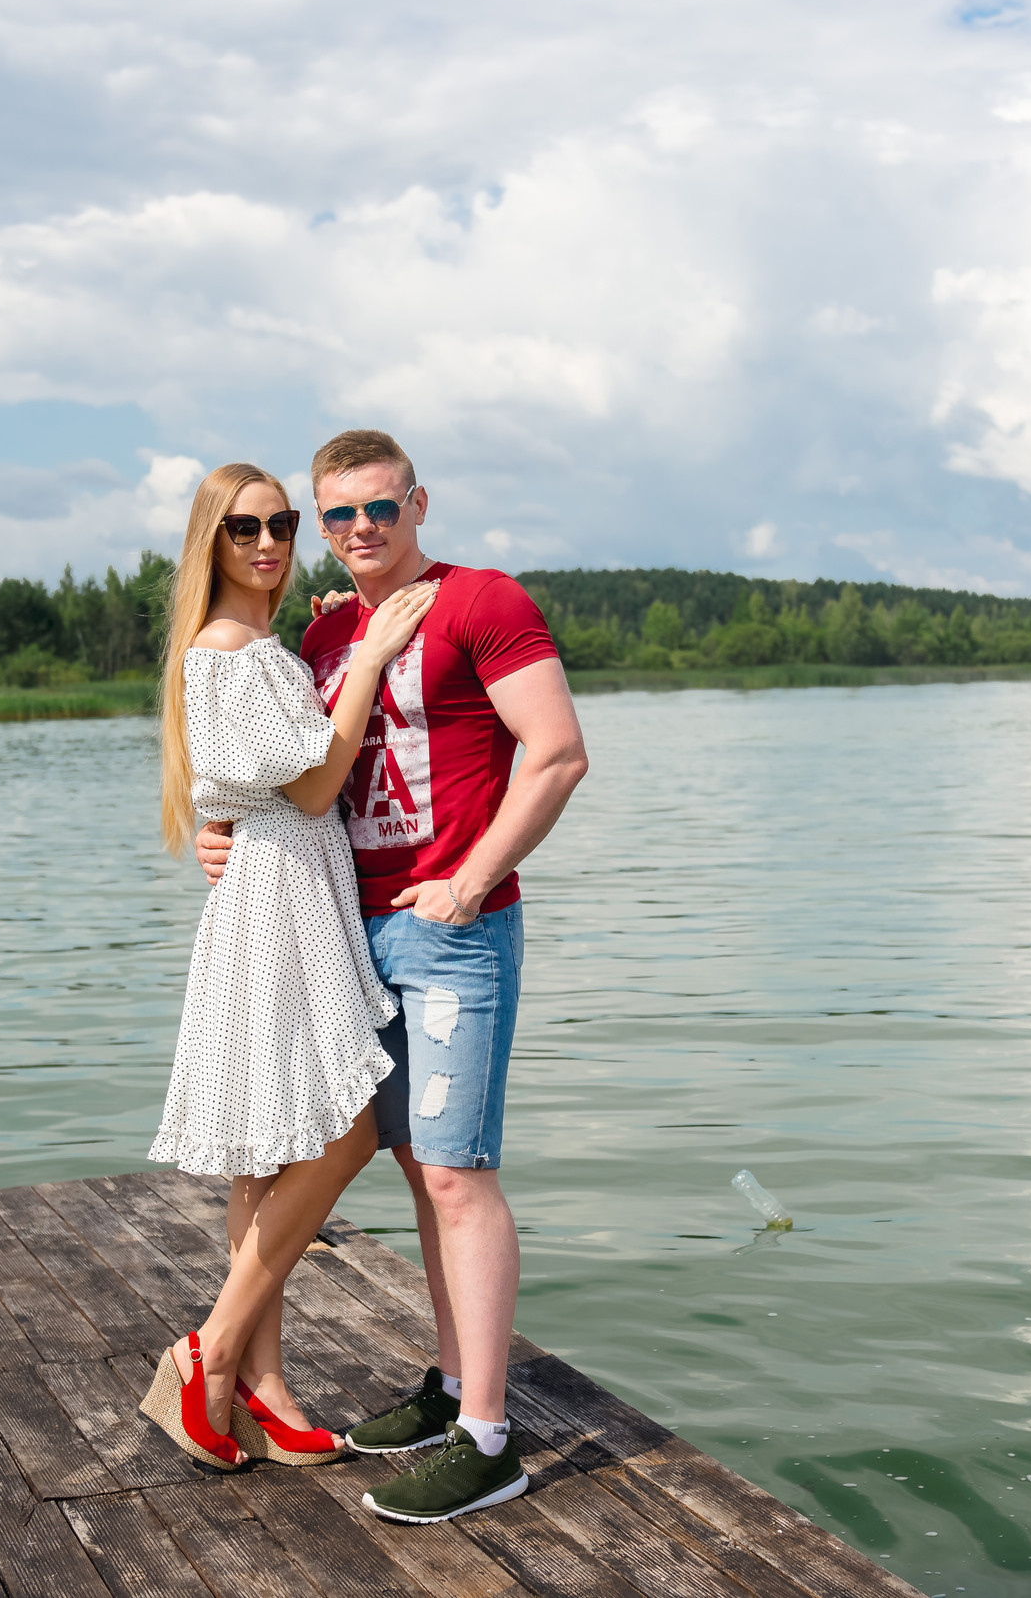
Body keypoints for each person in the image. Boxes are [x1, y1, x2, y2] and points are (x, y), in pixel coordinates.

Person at [196, 428, 589, 1525]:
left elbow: (556, 750)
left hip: (450, 931)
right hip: (344, 928)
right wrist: (214, 836)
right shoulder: (327, 631)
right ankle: (454, 1382)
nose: (359, 528)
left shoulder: (480, 600)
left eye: (379, 507)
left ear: (417, 502)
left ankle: (490, 1438)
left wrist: (470, 880)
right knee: (420, 1170)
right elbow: (287, 770)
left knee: (460, 1172)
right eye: (337, 514)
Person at [139, 460, 442, 1475]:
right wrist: (368, 657)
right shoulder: (228, 649)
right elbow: (313, 787)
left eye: (278, 524)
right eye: (241, 530)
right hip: (279, 894)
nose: (266, 543)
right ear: (209, 544)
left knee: (266, 1152)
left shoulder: (258, 645)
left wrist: (327, 643)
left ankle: (258, 1386)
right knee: (347, 1128)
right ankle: (210, 1347)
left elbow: (266, 775)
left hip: (279, 884)